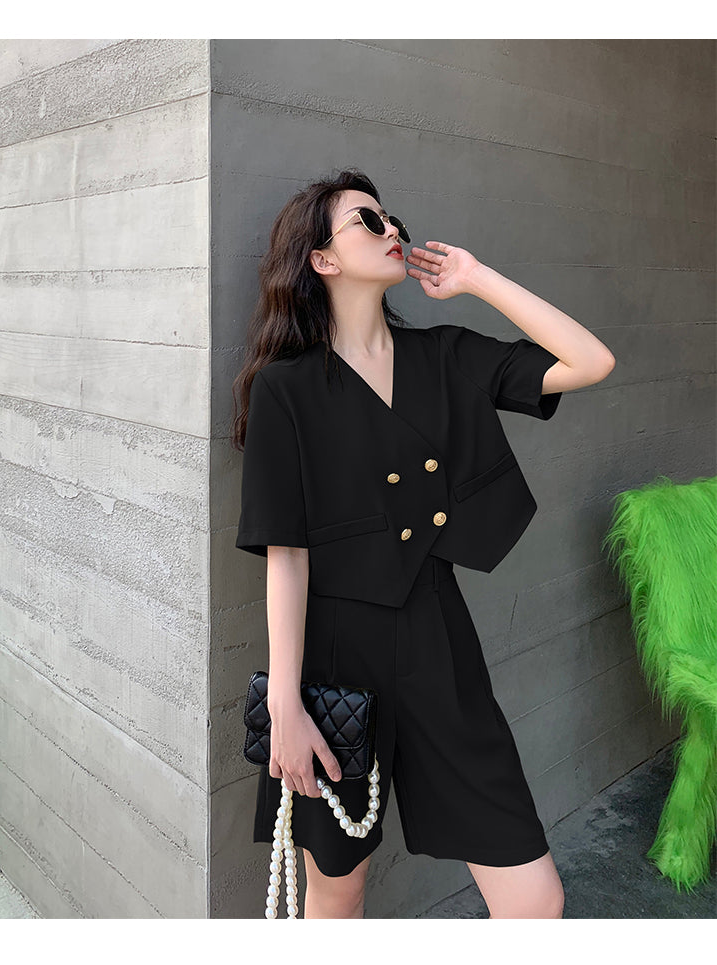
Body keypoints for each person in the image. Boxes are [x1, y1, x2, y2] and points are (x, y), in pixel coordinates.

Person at [231, 168, 615, 919]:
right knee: (336, 889)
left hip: (440, 639)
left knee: (535, 899)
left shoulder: (445, 355)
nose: (392, 230)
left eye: (393, 219)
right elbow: (287, 554)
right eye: (368, 222)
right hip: (333, 654)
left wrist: (477, 279)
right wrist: (285, 706)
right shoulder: (286, 389)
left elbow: (590, 362)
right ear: (322, 259)